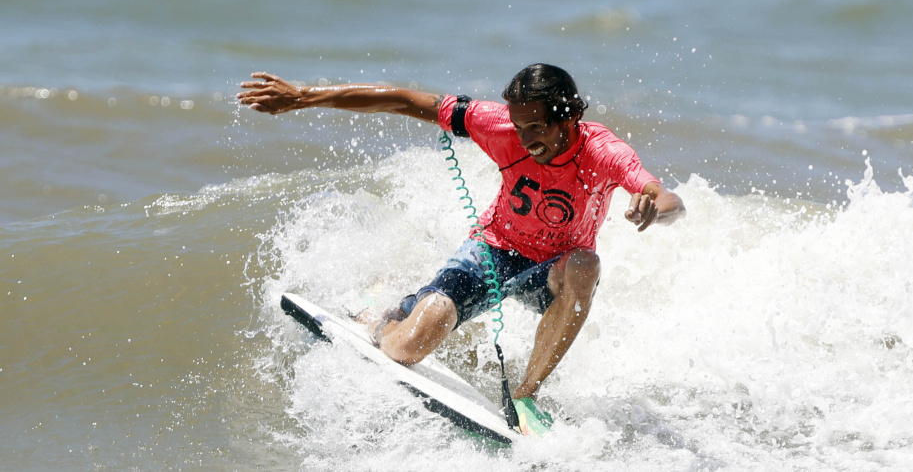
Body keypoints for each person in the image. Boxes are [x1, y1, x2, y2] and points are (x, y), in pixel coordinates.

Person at [237, 63, 685, 400]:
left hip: (553, 270)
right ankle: (381, 315)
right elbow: (404, 99)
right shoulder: (500, 125)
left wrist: (653, 208)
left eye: (537, 128)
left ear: (569, 118)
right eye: (519, 125)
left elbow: (667, 199)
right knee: (409, 347)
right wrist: (305, 96)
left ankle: (526, 394)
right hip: (493, 251)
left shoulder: (602, 150)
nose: (526, 138)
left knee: (587, 263)